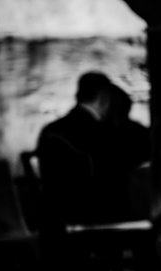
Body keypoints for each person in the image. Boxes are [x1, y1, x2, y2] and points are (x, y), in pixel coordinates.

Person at [34, 72, 150, 225]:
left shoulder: (52, 130)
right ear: (104, 98)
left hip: (55, 217)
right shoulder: (105, 134)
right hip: (99, 217)